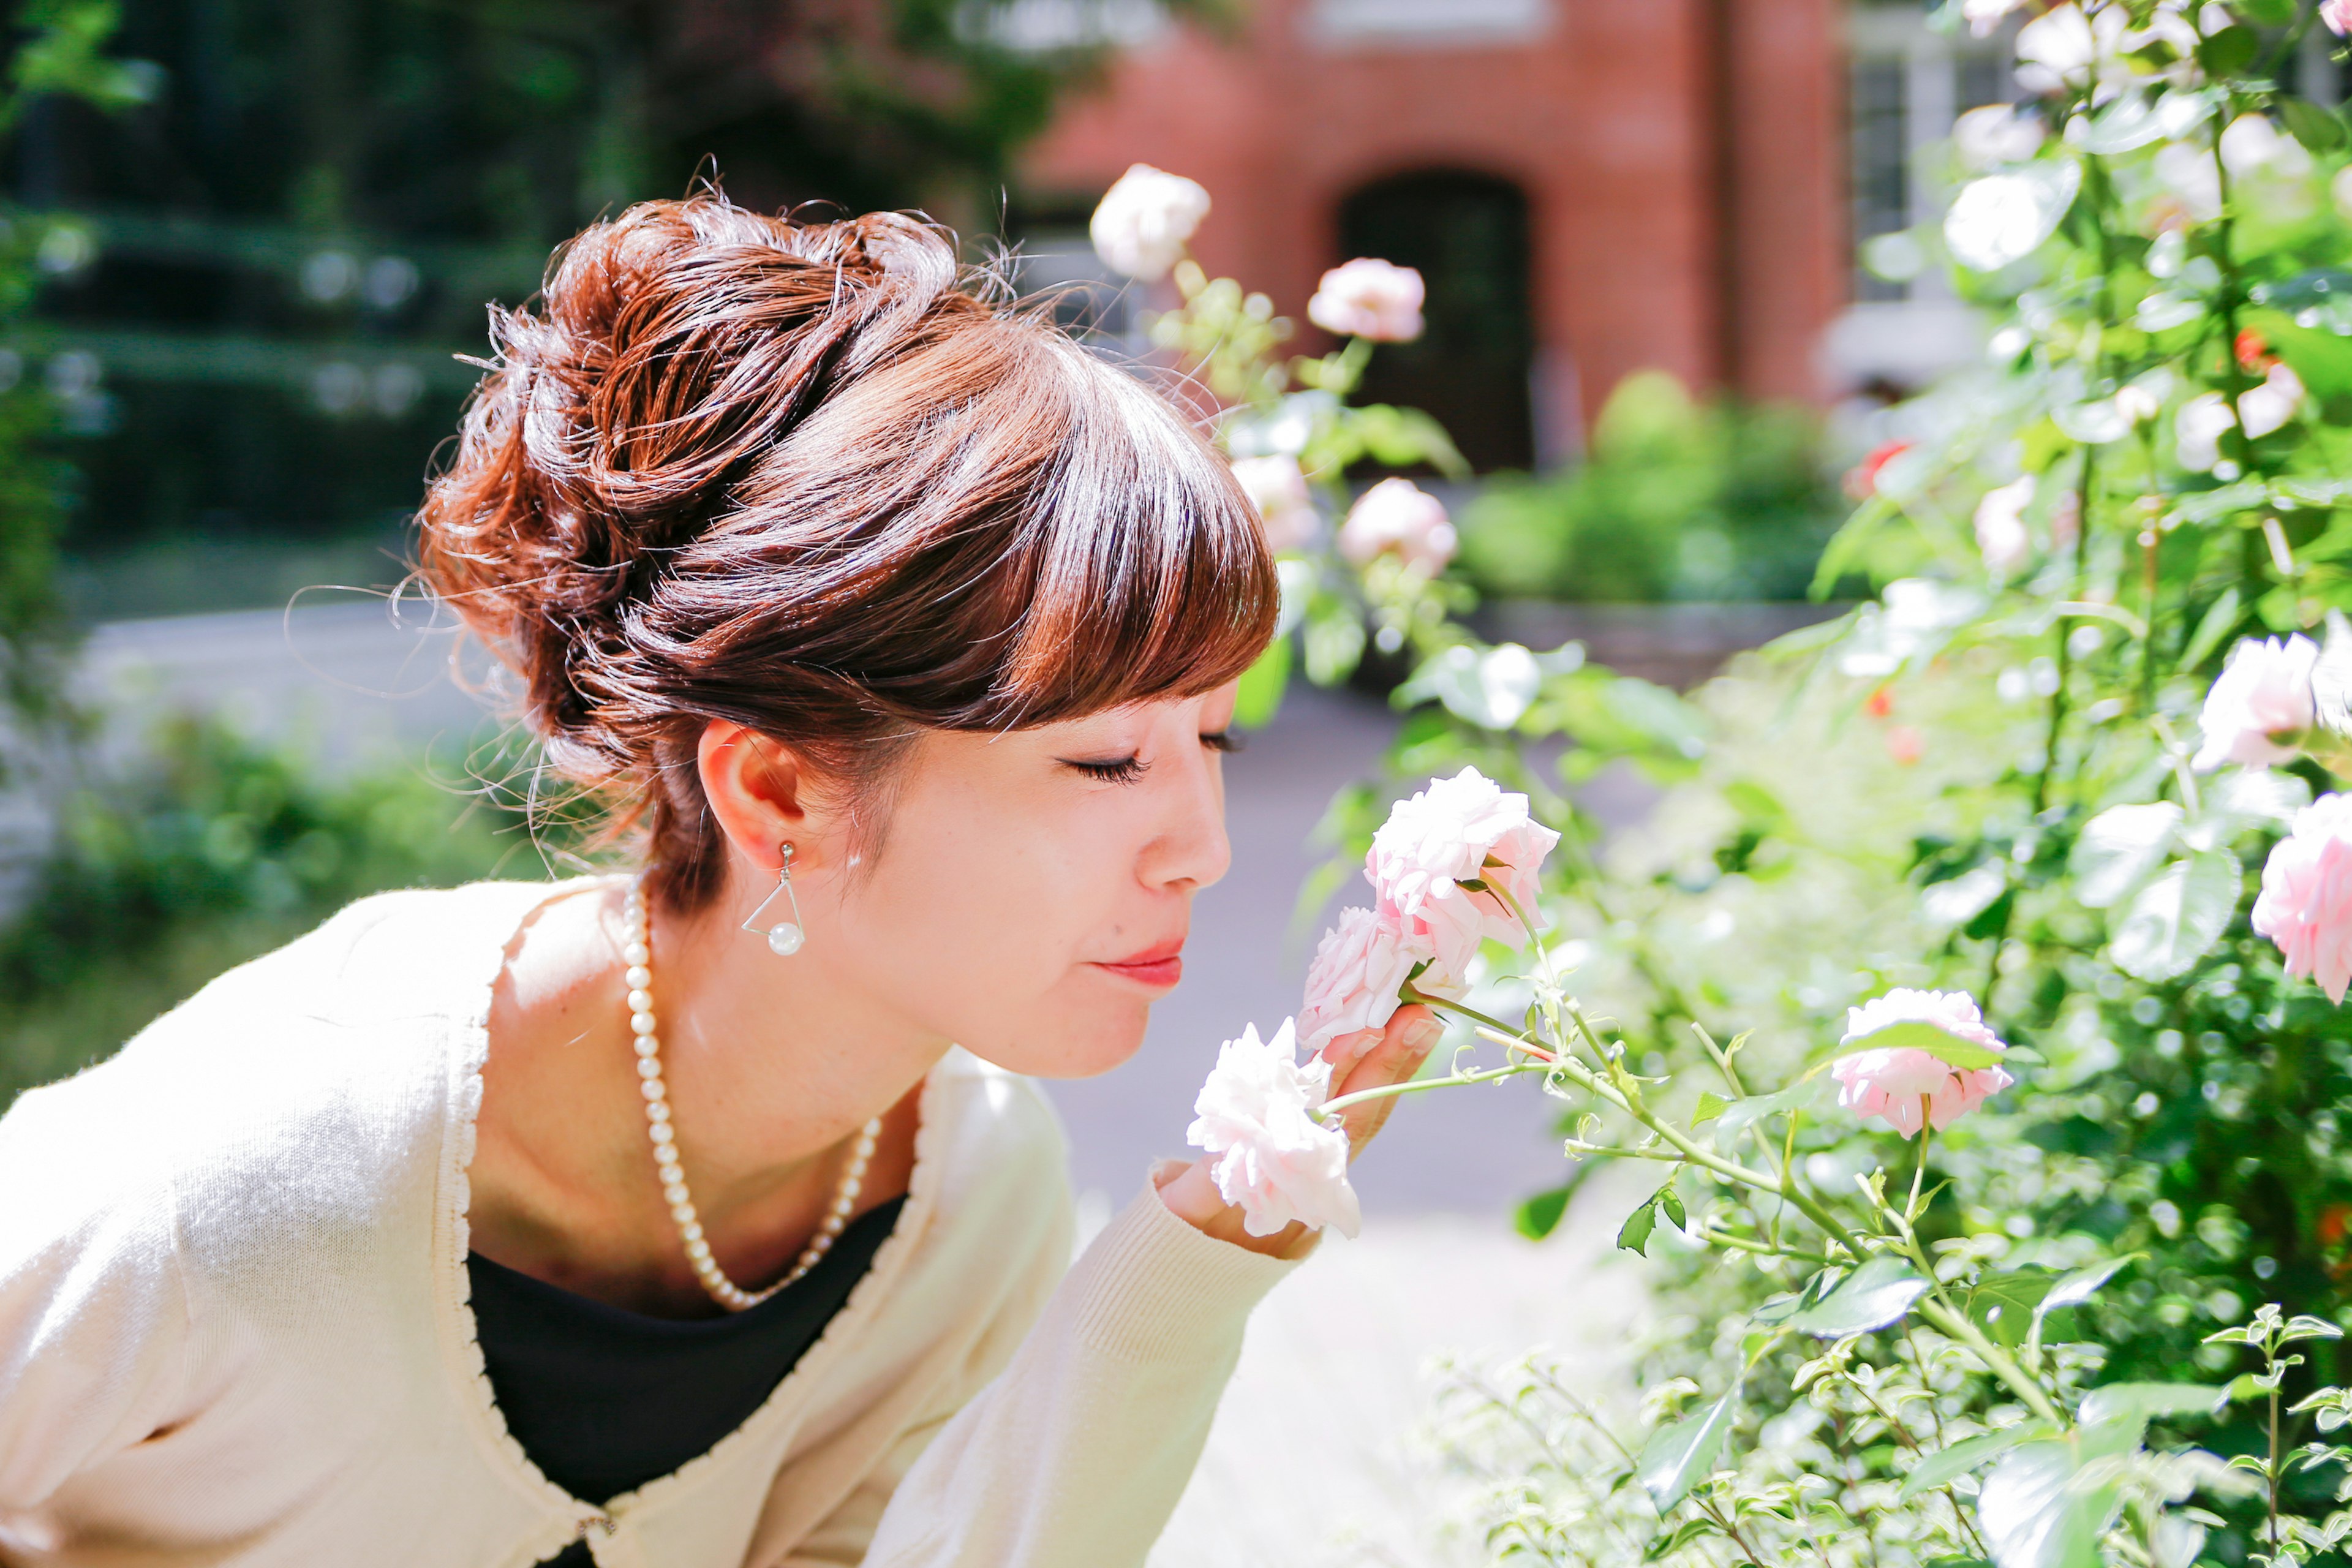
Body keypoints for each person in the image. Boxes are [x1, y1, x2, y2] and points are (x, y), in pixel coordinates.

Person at [0, 195, 1438, 1566]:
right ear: (778, 789)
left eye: (1213, 739)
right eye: (1107, 762)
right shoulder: (261, 1154)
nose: (1207, 846)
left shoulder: (968, 1191)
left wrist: (1196, 1262)